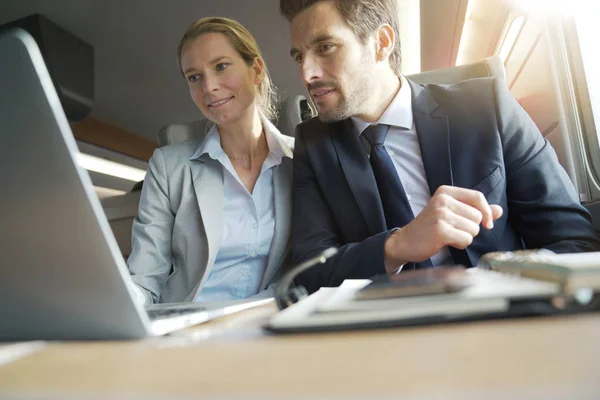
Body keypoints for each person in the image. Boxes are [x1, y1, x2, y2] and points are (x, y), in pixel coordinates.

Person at [279, 0, 600, 293]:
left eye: (325, 47)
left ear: (381, 43)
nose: (307, 73)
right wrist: (397, 245)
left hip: (503, 308)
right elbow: (310, 272)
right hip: (388, 330)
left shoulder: (487, 107)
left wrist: (509, 289)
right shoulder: (314, 143)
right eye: (298, 56)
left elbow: (572, 240)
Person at [127, 17, 294, 304]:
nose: (209, 86)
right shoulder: (169, 167)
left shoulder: (301, 160)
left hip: (267, 326)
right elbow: (144, 277)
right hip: (187, 329)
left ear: (255, 71)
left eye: (220, 66)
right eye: (194, 77)